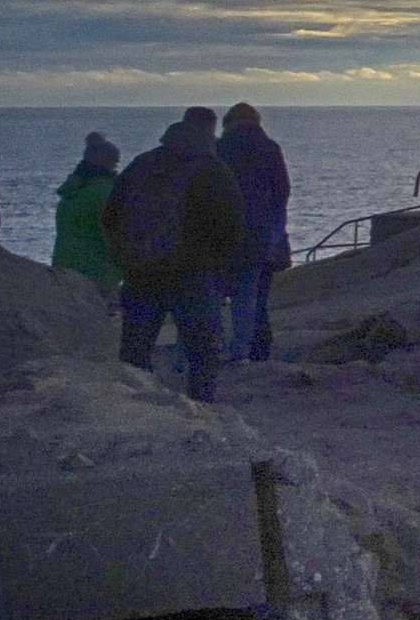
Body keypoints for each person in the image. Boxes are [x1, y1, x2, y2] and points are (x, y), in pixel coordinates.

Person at [103, 117, 243, 403]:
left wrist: (125, 256)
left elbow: (110, 215)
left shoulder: (142, 164)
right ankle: (201, 411)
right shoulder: (213, 171)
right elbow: (233, 225)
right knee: (202, 353)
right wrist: (219, 265)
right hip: (193, 274)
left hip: (141, 272)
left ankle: (129, 407)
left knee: (134, 352)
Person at [216, 102, 291, 363]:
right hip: (260, 234)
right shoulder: (270, 149)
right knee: (253, 297)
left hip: (223, 232)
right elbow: (282, 192)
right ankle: (250, 351)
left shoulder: (219, 149)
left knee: (214, 295)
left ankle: (214, 348)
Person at [51, 134, 123, 294]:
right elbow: (111, 235)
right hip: (97, 273)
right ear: (110, 163)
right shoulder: (105, 192)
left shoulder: (71, 191)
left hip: (63, 269)